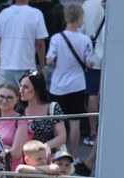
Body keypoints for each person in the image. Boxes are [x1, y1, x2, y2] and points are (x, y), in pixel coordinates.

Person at [45, 4, 93, 157]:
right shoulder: (85, 40)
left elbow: (49, 60)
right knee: (75, 123)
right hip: (77, 85)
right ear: (79, 18)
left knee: (56, 123)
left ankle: (57, 155)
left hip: (58, 86)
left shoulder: (56, 38)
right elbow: (90, 63)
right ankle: (73, 156)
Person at [0, 0, 47, 86]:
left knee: (6, 96)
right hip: (27, 65)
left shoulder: (3, 14)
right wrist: (42, 66)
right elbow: (40, 43)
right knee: (26, 97)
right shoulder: (36, 14)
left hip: (5, 65)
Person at [17, 70, 65, 155]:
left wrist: (42, 148)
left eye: (26, 87)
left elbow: (62, 137)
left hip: (47, 158)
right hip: (24, 158)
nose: (21, 90)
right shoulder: (19, 109)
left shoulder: (53, 107)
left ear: (37, 89)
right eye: (20, 86)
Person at [81, 0, 105, 148]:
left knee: (92, 95)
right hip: (110, 57)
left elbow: (81, 29)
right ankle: (106, 132)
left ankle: (93, 132)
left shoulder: (87, 4)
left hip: (92, 56)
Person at [0, 81, 29, 171]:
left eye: (9, 98)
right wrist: (5, 149)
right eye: (1, 96)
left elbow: (16, 153)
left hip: (11, 171)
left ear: (17, 99)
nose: (4, 101)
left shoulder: (21, 120)